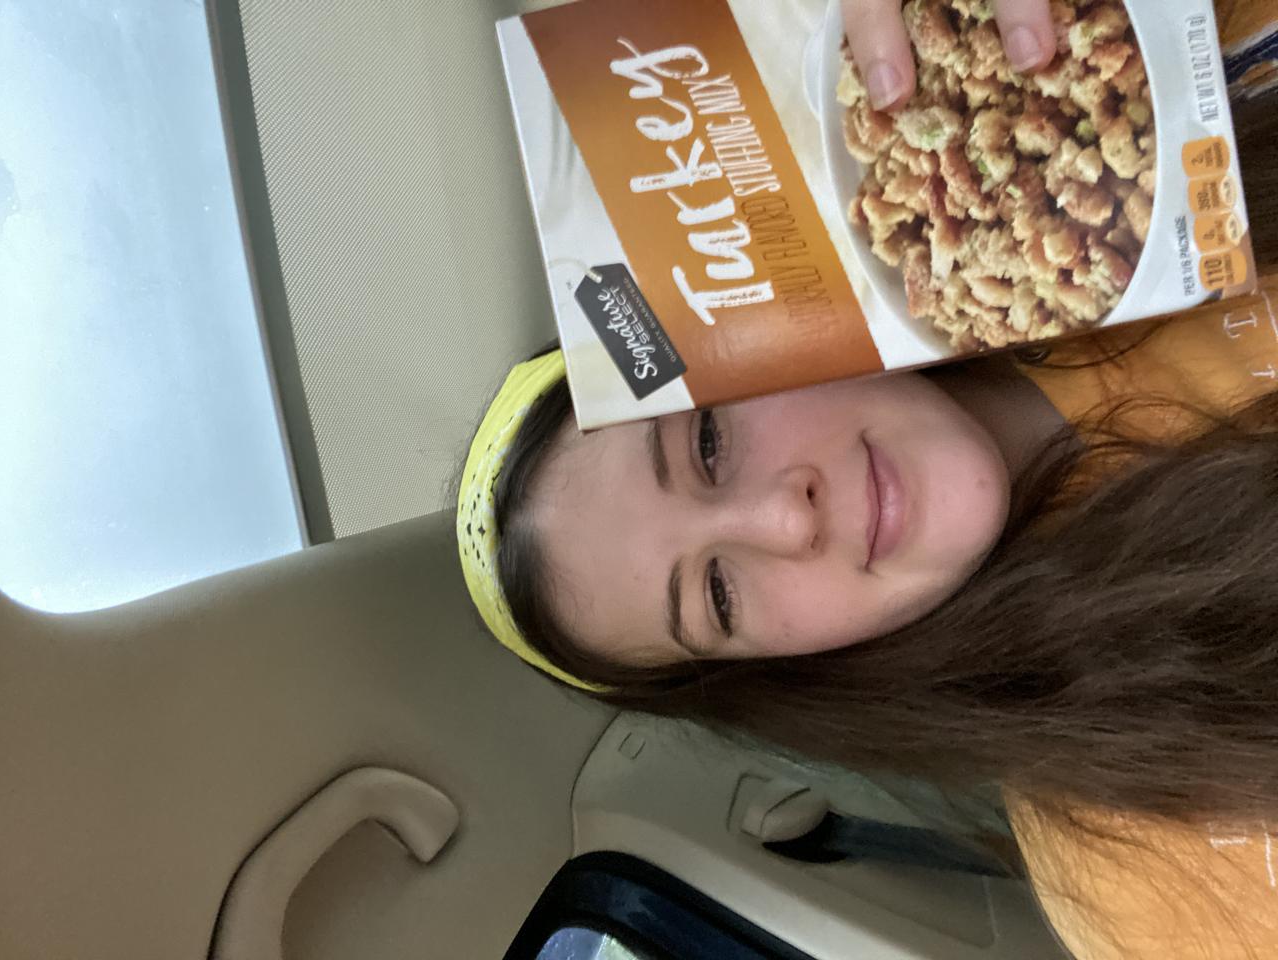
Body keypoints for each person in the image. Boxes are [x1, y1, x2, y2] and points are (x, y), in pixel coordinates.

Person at [457, 2, 1278, 956]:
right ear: (784, 667)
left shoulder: (1101, 64)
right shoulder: (1152, 861)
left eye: (709, 445)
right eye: (718, 594)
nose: (784, 518)